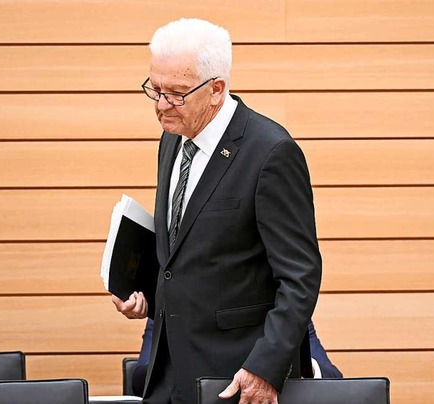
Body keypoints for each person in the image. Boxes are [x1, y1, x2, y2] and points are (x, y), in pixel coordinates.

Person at [112, 18, 322, 404]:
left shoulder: (271, 152)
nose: (161, 106)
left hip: (237, 379)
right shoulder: (174, 138)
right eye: (154, 89)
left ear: (216, 90)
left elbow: (301, 277)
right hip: (169, 371)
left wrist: (264, 368)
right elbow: (189, 250)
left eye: (175, 93)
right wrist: (143, 292)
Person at [130, 319, 342, 397]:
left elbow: (334, 378)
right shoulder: (167, 315)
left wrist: (303, 366)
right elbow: (140, 380)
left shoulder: (288, 321)